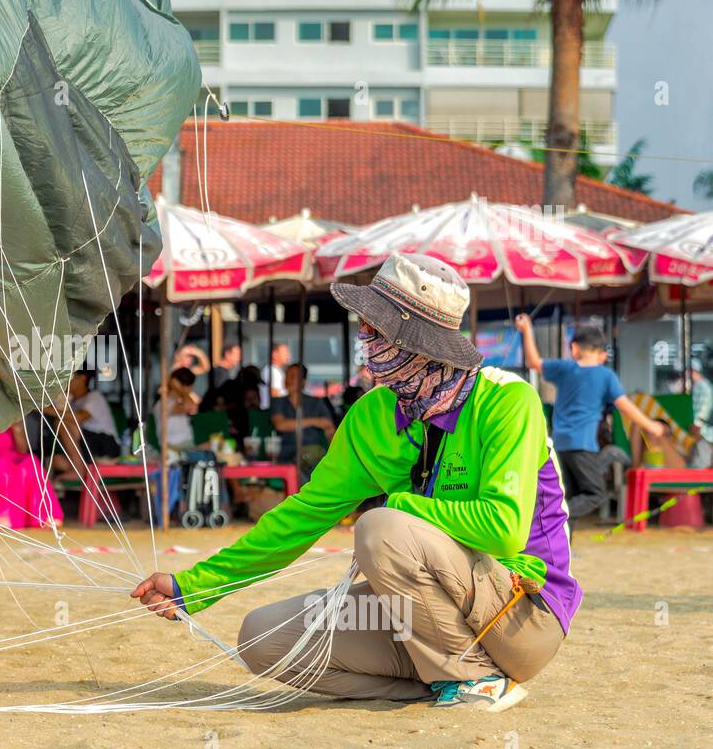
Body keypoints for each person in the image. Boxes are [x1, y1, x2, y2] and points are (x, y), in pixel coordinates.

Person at [133, 253, 581, 713]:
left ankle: (476, 678)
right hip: (429, 617)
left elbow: (502, 529)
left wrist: (403, 506)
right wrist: (196, 586)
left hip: (523, 616)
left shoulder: (507, 400)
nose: (364, 336)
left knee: (380, 526)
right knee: (262, 639)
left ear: (416, 341)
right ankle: (443, 682)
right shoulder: (371, 415)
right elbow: (303, 515)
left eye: (376, 327)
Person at [515, 315, 665, 524]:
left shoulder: (565, 368)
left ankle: (563, 549)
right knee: (595, 493)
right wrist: (651, 425)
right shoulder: (605, 375)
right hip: (582, 445)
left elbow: (533, 362)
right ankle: (549, 514)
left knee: (569, 495)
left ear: (575, 349)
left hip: (558, 445)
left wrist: (527, 330)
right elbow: (624, 406)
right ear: (603, 354)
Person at [0, 423, 63, 530]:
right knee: (2, 464)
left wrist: (17, 429)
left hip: (9, 457)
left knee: (31, 461)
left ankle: (42, 515)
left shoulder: (10, 414)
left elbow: (22, 449)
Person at [269, 362, 336, 479]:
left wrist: (334, 456)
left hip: (313, 454)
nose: (288, 380)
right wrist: (314, 421)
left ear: (303, 382)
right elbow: (280, 424)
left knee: (316, 463)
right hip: (287, 454)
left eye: (293, 377)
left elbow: (329, 427)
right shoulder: (278, 402)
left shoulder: (316, 402)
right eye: (287, 376)